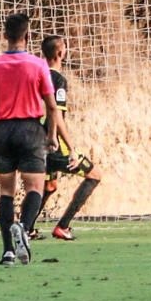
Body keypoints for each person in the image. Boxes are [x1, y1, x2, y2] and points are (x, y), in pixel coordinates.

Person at [0, 13, 58, 265]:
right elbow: (52, 106)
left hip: (4, 131)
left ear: (4, 36)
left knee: (6, 192)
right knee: (35, 187)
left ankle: (8, 252)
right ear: (28, 36)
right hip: (31, 129)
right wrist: (51, 136)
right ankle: (23, 226)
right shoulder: (39, 65)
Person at [22, 35, 102, 241]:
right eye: (64, 48)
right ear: (60, 53)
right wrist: (71, 147)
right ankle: (63, 226)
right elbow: (55, 114)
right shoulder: (57, 80)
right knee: (94, 175)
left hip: (33, 144)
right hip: (52, 145)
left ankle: (26, 228)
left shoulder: (36, 77)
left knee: (49, 186)